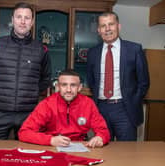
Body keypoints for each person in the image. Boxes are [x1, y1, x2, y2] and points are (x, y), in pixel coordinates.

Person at [0, 2, 51, 139]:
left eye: (27, 18)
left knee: (27, 157)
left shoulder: (41, 49)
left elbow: (46, 78)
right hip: (0, 113)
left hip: (28, 114)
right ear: (12, 20)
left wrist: (33, 92)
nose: (23, 21)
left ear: (32, 22)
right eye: (19, 17)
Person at [87, 12, 150, 141]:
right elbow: (91, 80)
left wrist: (133, 100)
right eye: (103, 26)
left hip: (125, 109)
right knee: (103, 149)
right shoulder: (93, 52)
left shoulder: (134, 49)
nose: (107, 29)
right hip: (101, 109)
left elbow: (144, 82)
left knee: (127, 153)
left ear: (119, 26)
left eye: (111, 24)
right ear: (99, 30)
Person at [18, 69, 110, 148]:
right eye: (64, 85)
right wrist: (50, 140)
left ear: (80, 87)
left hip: (80, 148)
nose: (68, 90)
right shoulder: (46, 104)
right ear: (58, 87)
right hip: (52, 147)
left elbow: (103, 131)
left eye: (73, 85)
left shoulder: (88, 104)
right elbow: (24, 132)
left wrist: (100, 137)